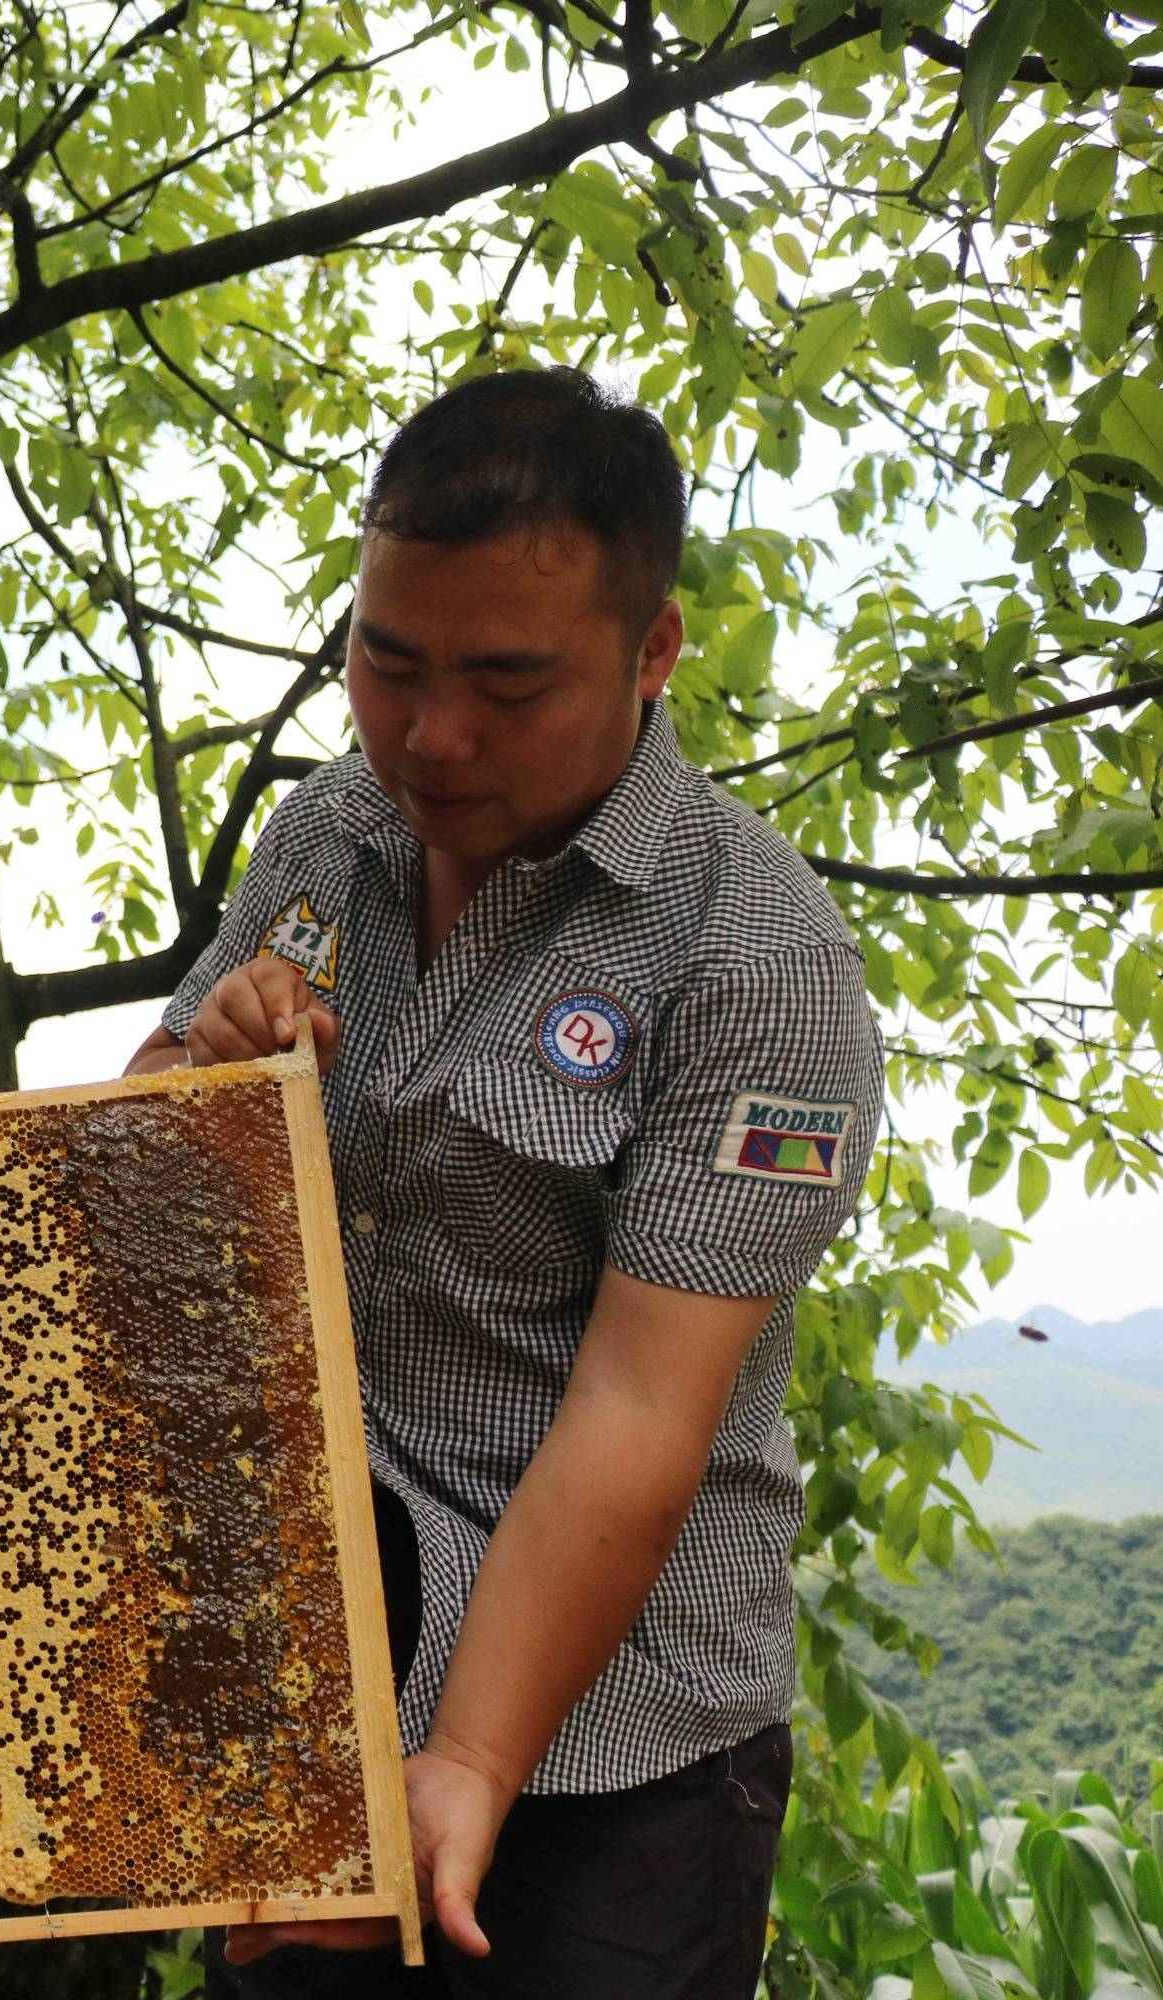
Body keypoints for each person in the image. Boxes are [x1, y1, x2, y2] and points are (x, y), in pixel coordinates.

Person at [125, 368, 880, 1998]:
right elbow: (132, 1174)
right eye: (386, 665)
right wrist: (210, 1083)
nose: (431, 735)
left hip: (625, 1757)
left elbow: (639, 1413)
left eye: (507, 683)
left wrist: (467, 1758)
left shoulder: (761, 963)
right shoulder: (330, 829)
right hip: (312, 1676)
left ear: (652, 651)